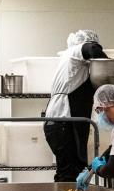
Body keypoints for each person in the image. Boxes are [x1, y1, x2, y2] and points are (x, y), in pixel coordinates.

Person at [44, 30, 107, 182]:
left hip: (64, 121)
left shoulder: (77, 65)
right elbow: (92, 49)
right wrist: (109, 64)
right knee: (69, 172)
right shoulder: (74, 52)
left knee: (74, 169)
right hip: (65, 120)